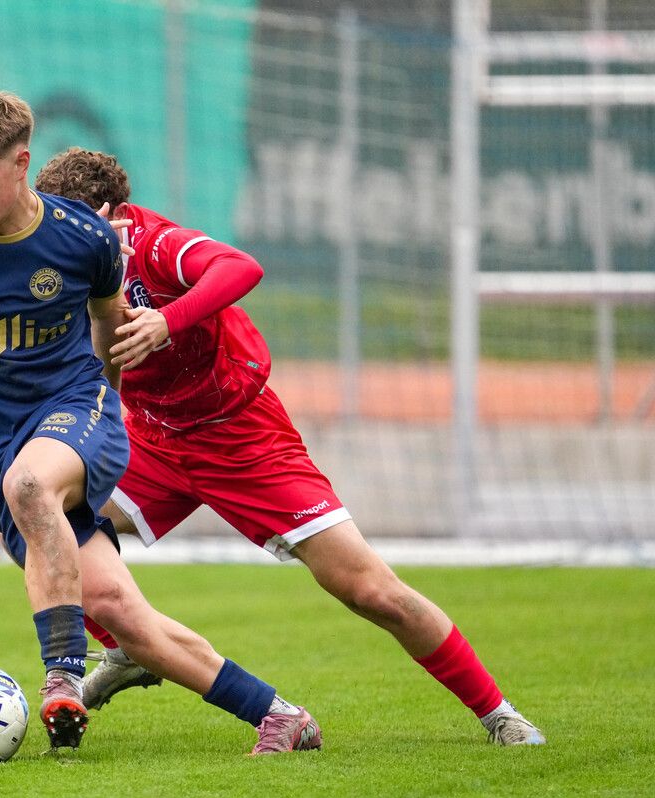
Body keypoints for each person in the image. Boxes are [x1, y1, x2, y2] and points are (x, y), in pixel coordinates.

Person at [34, 147, 546, 747]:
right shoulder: (61, 262)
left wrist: (166, 322)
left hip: (241, 437)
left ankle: (498, 713)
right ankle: (126, 650)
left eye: (75, 222)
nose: (62, 238)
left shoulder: (155, 244)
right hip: (152, 438)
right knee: (42, 525)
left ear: (111, 212)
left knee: (370, 591)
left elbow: (240, 268)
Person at [0, 91, 321, 755]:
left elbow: (110, 327)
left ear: (21, 162)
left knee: (31, 487)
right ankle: (278, 715)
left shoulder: (80, 237)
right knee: (119, 614)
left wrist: (103, 418)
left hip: (77, 412)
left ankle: (62, 675)